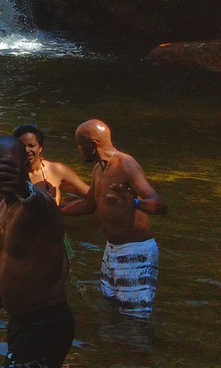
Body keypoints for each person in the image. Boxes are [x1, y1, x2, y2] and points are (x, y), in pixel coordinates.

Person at [0, 136, 74, 368]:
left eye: (7, 165)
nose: (0, 171)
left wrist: (21, 185)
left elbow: (45, 209)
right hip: (20, 322)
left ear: (24, 167)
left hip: (45, 323)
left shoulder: (39, 203)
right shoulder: (5, 205)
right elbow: (7, 270)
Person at [61, 119, 167, 319]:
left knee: (135, 318)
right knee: (113, 310)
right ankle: (117, 348)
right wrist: (54, 208)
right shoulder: (99, 170)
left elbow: (160, 204)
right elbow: (88, 205)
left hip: (136, 251)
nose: (78, 149)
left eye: (80, 144)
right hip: (111, 250)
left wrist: (134, 203)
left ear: (93, 145)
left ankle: (138, 349)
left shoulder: (126, 165)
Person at [0, 123, 89, 239]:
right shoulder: (11, 176)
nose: (27, 150)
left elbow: (91, 196)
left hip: (50, 238)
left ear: (40, 147)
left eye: (31, 145)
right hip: (19, 238)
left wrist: (58, 210)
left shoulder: (56, 171)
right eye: (22, 146)